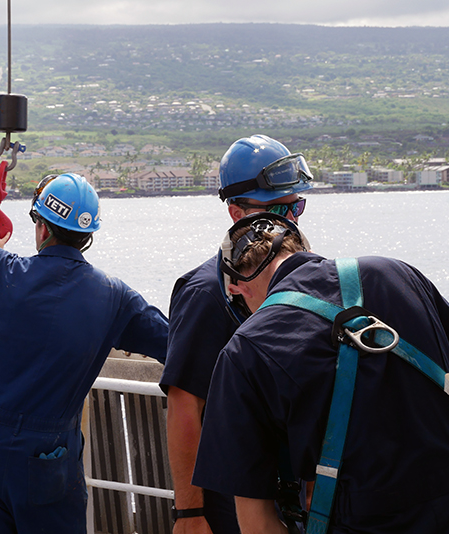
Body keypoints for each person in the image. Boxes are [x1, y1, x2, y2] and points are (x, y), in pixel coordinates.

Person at [0, 135, 169, 533]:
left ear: (41, 227)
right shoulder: (114, 297)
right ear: (88, 234)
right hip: (50, 460)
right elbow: (177, 343)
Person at [192, 212, 449, 534]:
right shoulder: (396, 273)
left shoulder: (243, 351)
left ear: (238, 288)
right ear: (301, 247)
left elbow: (257, 524)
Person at [159, 134, 313, 534]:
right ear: (235, 211)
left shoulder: (301, 281)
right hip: (232, 500)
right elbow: (184, 404)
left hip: (292, 496)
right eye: (279, 209)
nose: (290, 220)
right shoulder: (206, 294)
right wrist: (191, 514)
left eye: (296, 206)